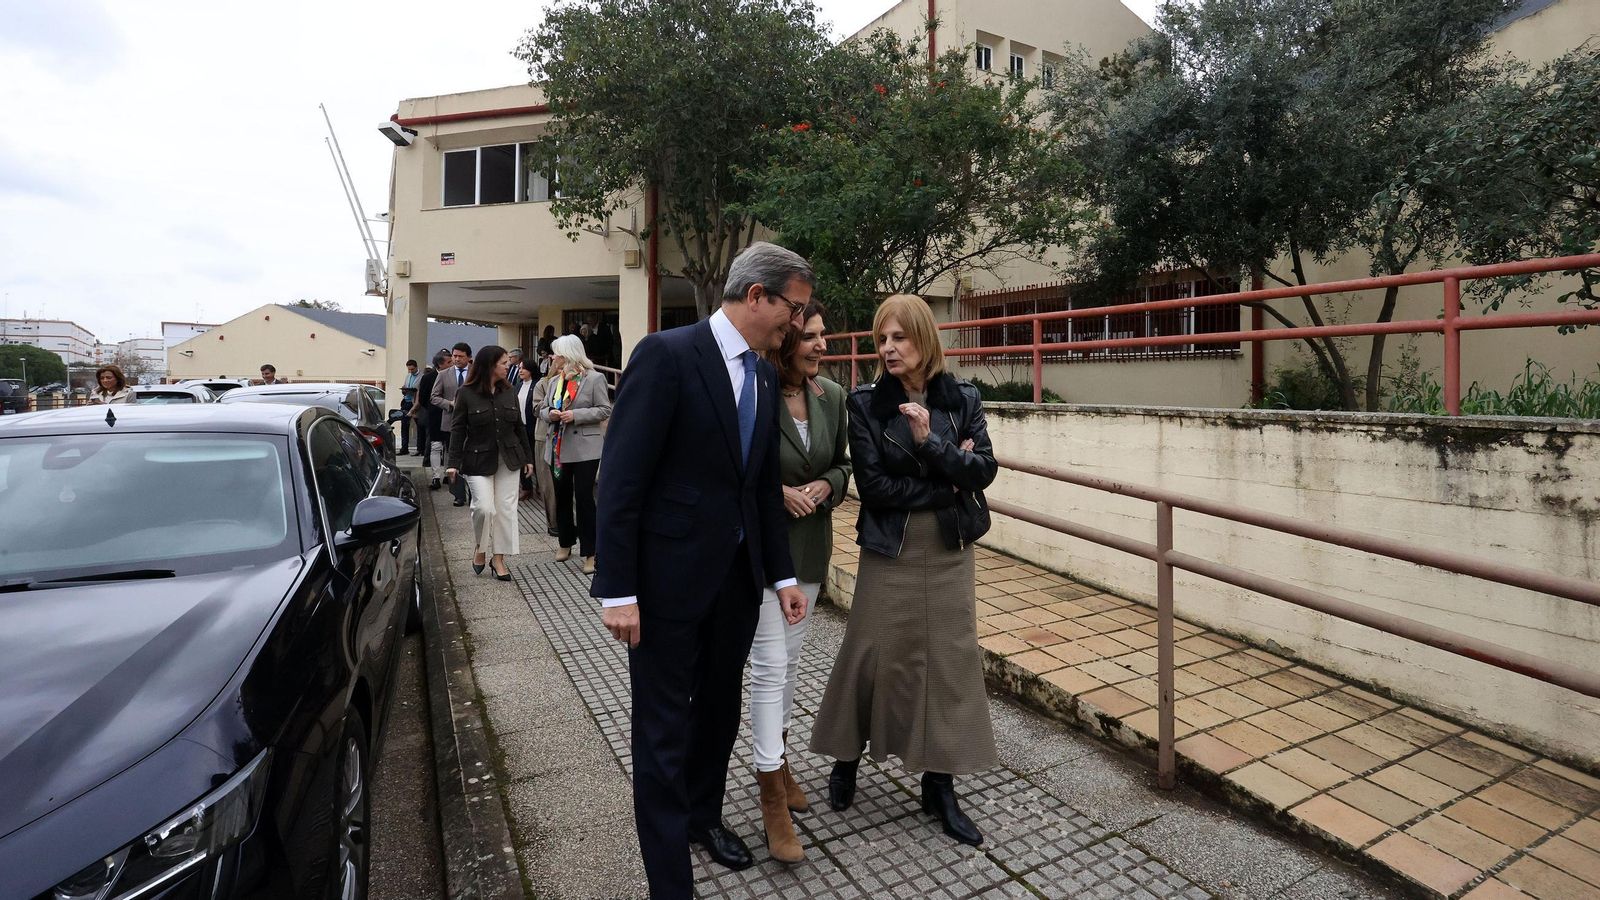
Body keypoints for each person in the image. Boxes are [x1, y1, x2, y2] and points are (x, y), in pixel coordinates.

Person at [593, 241, 811, 898]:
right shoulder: (667, 355)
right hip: (663, 588)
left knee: (718, 713)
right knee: (662, 735)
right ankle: (671, 884)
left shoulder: (767, 377)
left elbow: (759, 487)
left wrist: (781, 575)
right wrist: (619, 590)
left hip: (736, 585)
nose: (797, 325)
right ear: (756, 296)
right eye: (793, 309)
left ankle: (703, 818)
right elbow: (622, 482)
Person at [810, 293, 999, 848]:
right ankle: (847, 757)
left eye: (899, 338)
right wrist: (949, 479)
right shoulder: (867, 403)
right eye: (881, 340)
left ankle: (938, 783)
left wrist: (931, 443)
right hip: (889, 548)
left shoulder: (963, 398)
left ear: (924, 339)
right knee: (870, 650)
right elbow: (876, 490)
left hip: (949, 547)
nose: (888, 349)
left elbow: (984, 470)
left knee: (948, 658)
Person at [745, 299, 850, 863]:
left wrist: (826, 487)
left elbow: (842, 464)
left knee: (789, 666)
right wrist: (776, 493)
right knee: (771, 667)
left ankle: (780, 764)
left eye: (823, 336)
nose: (821, 345)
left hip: (809, 552)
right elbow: (740, 469)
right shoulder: (757, 391)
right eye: (810, 336)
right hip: (764, 553)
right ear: (786, 340)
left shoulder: (832, 398)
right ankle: (771, 797)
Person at [447, 345, 535, 581]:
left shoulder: (509, 391)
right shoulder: (465, 393)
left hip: (509, 458)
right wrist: (452, 462)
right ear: (490, 365)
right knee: (484, 508)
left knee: (506, 510)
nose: (509, 366)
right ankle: (481, 547)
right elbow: (457, 430)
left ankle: (499, 558)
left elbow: (519, 426)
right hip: (477, 459)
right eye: (504, 363)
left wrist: (528, 458)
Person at [538, 334, 611, 574]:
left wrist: (576, 416)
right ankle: (565, 541)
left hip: (585, 448)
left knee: (584, 497)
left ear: (568, 355)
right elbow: (542, 409)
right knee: (562, 494)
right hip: (557, 446)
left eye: (556, 354)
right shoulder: (553, 381)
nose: (553, 358)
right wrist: (552, 414)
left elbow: (603, 409)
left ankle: (591, 551)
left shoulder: (594, 378)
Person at [518, 360, 561, 535]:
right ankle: (554, 522)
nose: (520, 371)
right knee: (544, 477)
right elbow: (537, 408)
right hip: (539, 432)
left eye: (524, 368)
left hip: (562, 437)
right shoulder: (540, 384)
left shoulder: (585, 381)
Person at [431, 343, 473, 507]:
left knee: (471, 457)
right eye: (454, 356)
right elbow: (434, 397)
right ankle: (458, 494)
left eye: (460, 356)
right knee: (454, 457)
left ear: (468, 357)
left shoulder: (476, 372)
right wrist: (449, 403)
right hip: (451, 421)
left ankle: (474, 493)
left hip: (473, 422)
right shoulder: (443, 374)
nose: (456, 359)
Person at [414, 354, 443, 474]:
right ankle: (429, 465)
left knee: (446, 445)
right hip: (433, 414)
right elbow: (423, 398)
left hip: (448, 414)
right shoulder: (428, 377)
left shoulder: (451, 376)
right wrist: (432, 408)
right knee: (432, 441)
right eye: (449, 362)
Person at [399, 359, 421, 454]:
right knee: (404, 425)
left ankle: (420, 448)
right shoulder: (408, 376)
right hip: (407, 400)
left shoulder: (421, 376)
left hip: (415, 401)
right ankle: (404, 448)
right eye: (409, 369)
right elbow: (405, 385)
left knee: (419, 425)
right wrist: (404, 389)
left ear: (416, 367)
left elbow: (420, 389)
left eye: (412, 369)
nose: (411, 371)